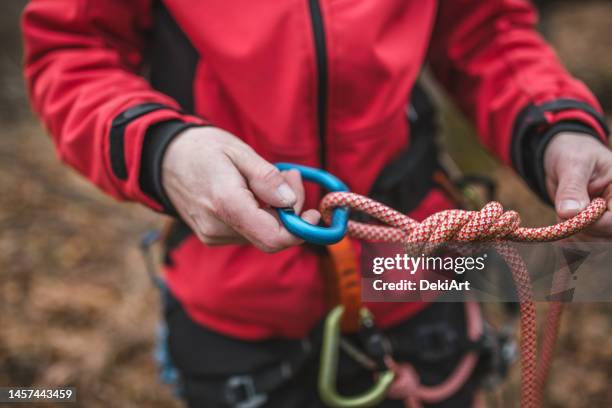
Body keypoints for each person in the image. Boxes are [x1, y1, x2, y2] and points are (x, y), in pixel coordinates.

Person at [22, 0, 611, 407]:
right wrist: (162, 149)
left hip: (416, 267)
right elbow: (73, 52)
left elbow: (483, 31)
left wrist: (556, 128)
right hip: (233, 297)